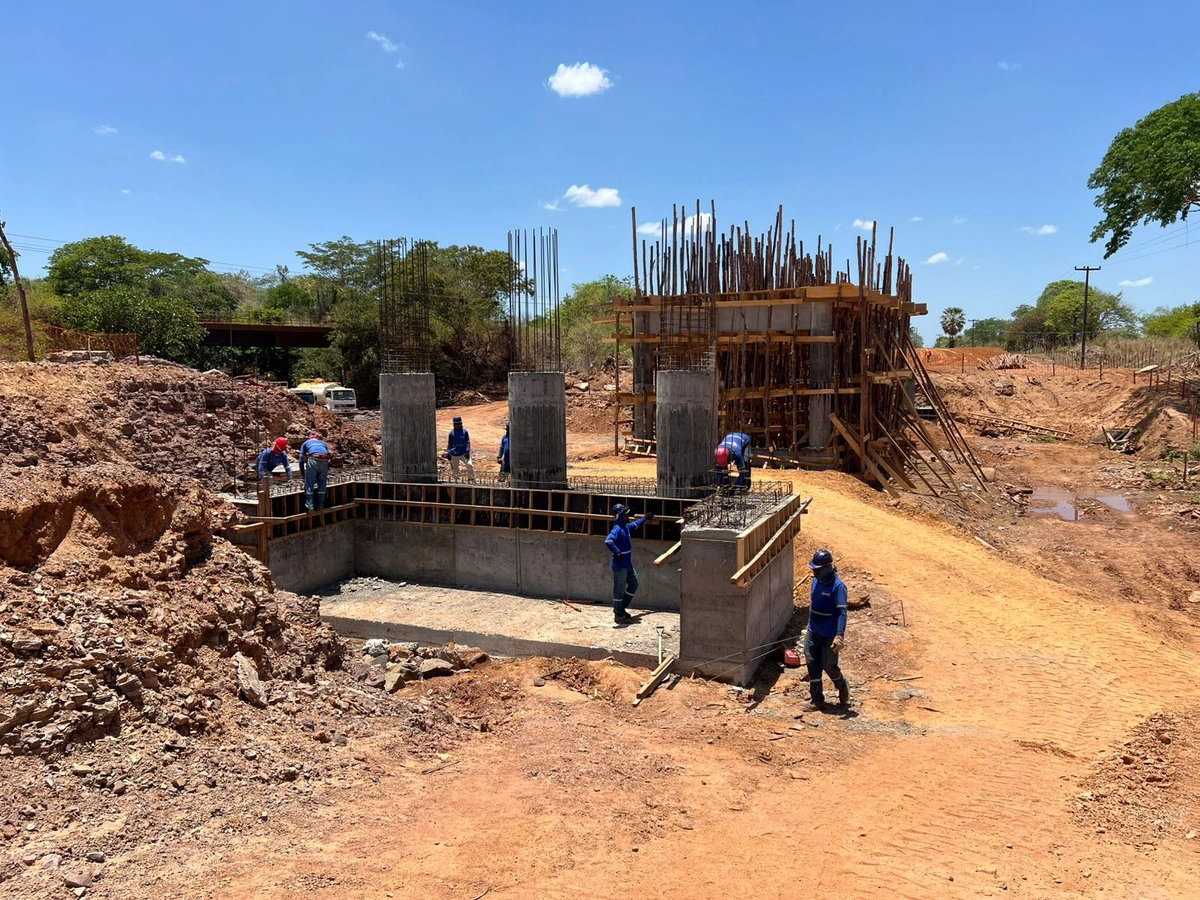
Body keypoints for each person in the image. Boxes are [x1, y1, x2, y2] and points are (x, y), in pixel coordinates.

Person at [803, 549, 850, 711]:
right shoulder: (815, 582)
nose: (814, 573)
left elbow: (842, 612)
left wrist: (839, 636)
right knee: (812, 662)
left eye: (817, 570)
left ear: (827, 568)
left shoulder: (838, 587)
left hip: (830, 635)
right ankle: (817, 700)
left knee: (828, 665)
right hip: (813, 631)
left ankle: (842, 685)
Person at [604, 504, 655, 624]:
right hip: (620, 565)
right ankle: (618, 614)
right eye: (626, 514)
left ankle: (621, 608)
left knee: (634, 584)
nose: (628, 516)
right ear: (620, 516)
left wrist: (645, 518)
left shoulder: (626, 527)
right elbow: (608, 541)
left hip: (627, 564)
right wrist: (617, 553)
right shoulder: (617, 529)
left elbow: (635, 525)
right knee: (619, 590)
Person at [299, 433, 331, 511]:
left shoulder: (306, 443)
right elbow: (328, 455)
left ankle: (310, 506)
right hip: (324, 461)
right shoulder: (323, 443)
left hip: (313, 459)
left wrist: (303, 474)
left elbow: (301, 459)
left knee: (309, 483)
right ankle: (320, 505)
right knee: (322, 484)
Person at [445, 415, 475, 482]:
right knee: (455, 469)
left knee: (469, 465)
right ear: (454, 424)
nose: (458, 425)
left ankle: (471, 479)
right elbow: (449, 444)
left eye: (459, 424)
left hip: (463, 453)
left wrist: (467, 451)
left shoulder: (465, 432)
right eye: (456, 424)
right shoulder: (451, 433)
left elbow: (468, 442)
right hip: (454, 454)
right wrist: (448, 453)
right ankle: (456, 480)